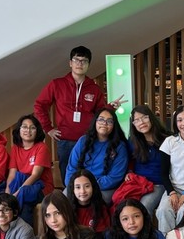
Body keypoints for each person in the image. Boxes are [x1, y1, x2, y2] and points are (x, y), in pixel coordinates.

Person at [33, 46, 124, 178]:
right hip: (65, 140)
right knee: (68, 176)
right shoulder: (57, 84)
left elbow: (100, 113)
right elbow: (40, 105)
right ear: (70, 63)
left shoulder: (94, 88)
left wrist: (110, 107)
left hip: (89, 139)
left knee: (88, 175)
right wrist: (48, 128)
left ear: (88, 65)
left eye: (84, 61)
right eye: (76, 60)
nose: (80, 64)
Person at [65, 108, 129, 203]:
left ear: (114, 126)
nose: (104, 123)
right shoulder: (83, 141)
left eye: (109, 121)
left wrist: (90, 185)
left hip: (104, 189)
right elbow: (71, 169)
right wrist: (78, 186)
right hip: (78, 185)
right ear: (95, 122)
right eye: (101, 119)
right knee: (62, 203)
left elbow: (115, 177)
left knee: (92, 205)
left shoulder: (120, 147)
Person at [156, 105, 184, 235]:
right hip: (173, 189)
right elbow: (163, 173)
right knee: (163, 211)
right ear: (176, 123)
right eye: (180, 120)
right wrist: (172, 193)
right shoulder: (169, 142)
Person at [7, 114, 53, 227]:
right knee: (24, 202)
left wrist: (17, 194)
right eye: (24, 127)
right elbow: (12, 174)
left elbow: (36, 175)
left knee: (24, 194)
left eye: (32, 127)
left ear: (37, 131)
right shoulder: (15, 148)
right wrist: (7, 194)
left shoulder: (41, 147)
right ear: (19, 130)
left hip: (41, 187)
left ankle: (14, 227)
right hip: (21, 185)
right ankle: (23, 236)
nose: (28, 130)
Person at [128, 105, 169, 213]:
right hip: (138, 184)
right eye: (136, 120)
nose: (141, 122)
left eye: (144, 117)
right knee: (125, 206)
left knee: (143, 208)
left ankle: (149, 230)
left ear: (151, 117)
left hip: (158, 184)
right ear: (133, 125)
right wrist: (129, 171)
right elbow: (128, 161)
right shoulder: (133, 142)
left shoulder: (167, 139)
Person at [67, 169, 111, 234]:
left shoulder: (101, 209)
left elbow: (105, 234)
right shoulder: (67, 210)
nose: (82, 191)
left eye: (87, 186)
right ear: (72, 189)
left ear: (93, 187)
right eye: (78, 187)